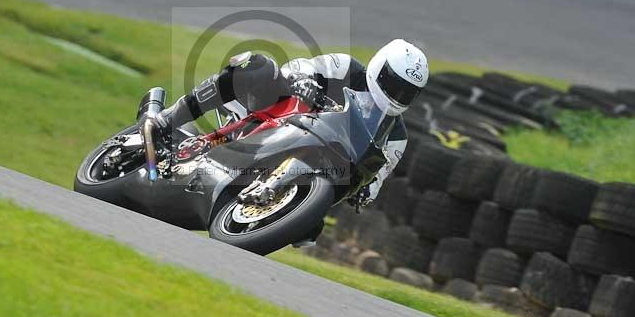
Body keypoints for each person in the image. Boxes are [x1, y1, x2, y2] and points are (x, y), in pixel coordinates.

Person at [149, 39, 429, 206]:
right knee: (257, 65)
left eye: (406, 92)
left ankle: (278, 208)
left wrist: (366, 192)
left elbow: (378, 176)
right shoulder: (347, 68)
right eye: (393, 83)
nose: (396, 94)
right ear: (380, 68)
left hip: (325, 164)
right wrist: (303, 81)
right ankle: (169, 118)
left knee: (311, 229)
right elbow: (299, 68)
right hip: (281, 118)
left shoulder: (396, 136)